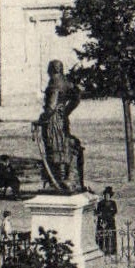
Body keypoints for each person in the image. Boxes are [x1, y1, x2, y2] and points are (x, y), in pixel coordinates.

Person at [38, 60, 83, 193]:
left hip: (53, 121)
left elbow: (51, 106)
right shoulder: (66, 82)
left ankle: (59, 181)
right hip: (62, 119)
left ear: (51, 69)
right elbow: (76, 98)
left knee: (54, 147)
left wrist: (41, 119)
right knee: (62, 146)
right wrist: (66, 111)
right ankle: (63, 180)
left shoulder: (54, 82)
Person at [95, 187, 118, 257]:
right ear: (104, 195)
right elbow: (98, 212)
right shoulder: (100, 203)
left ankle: (112, 250)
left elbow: (115, 211)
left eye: (108, 195)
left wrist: (110, 214)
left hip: (110, 221)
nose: (107, 196)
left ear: (110, 196)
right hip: (103, 222)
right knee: (102, 235)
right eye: (106, 195)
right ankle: (102, 250)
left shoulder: (113, 203)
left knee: (111, 235)